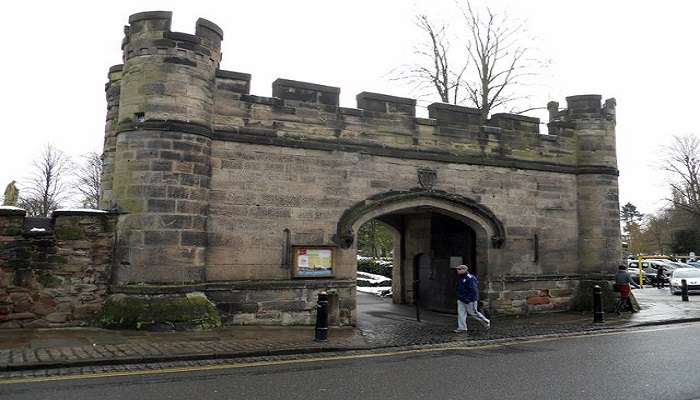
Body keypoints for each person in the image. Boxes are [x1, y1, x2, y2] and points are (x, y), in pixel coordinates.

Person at [454, 264, 490, 333]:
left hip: (470, 300)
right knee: (461, 313)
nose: (458, 271)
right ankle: (462, 328)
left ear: (465, 270)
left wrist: (469, 299)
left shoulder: (470, 278)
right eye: (457, 269)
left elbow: (474, 290)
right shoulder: (461, 277)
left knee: (474, 313)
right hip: (461, 299)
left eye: (459, 269)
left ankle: (486, 321)